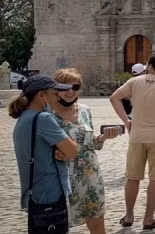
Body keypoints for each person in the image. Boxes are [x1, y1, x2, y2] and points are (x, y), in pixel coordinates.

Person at [110, 54, 155, 230]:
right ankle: (148, 218)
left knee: (132, 177)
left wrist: (127, 121)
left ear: (149, 65)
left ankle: (129, 215)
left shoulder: (135, 82)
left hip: (137, 136)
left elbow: (114, 98)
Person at [52, 68, 119, 234]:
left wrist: (103, 137)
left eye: (75, 87)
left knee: (97, 220)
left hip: (91, 174)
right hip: (63, 176)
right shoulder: (48, 114)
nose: (70, 91)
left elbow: (90, 142)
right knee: (60, 223)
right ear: (56, 88)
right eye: (65, 87)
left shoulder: (84, 110)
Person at [10, 75, 79, 234]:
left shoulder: (24, 118)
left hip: (34, 194)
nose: (58, 98)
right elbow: (72, 151)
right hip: (51, 194)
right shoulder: (44, 118)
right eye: (54, 94)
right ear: (42, 95)